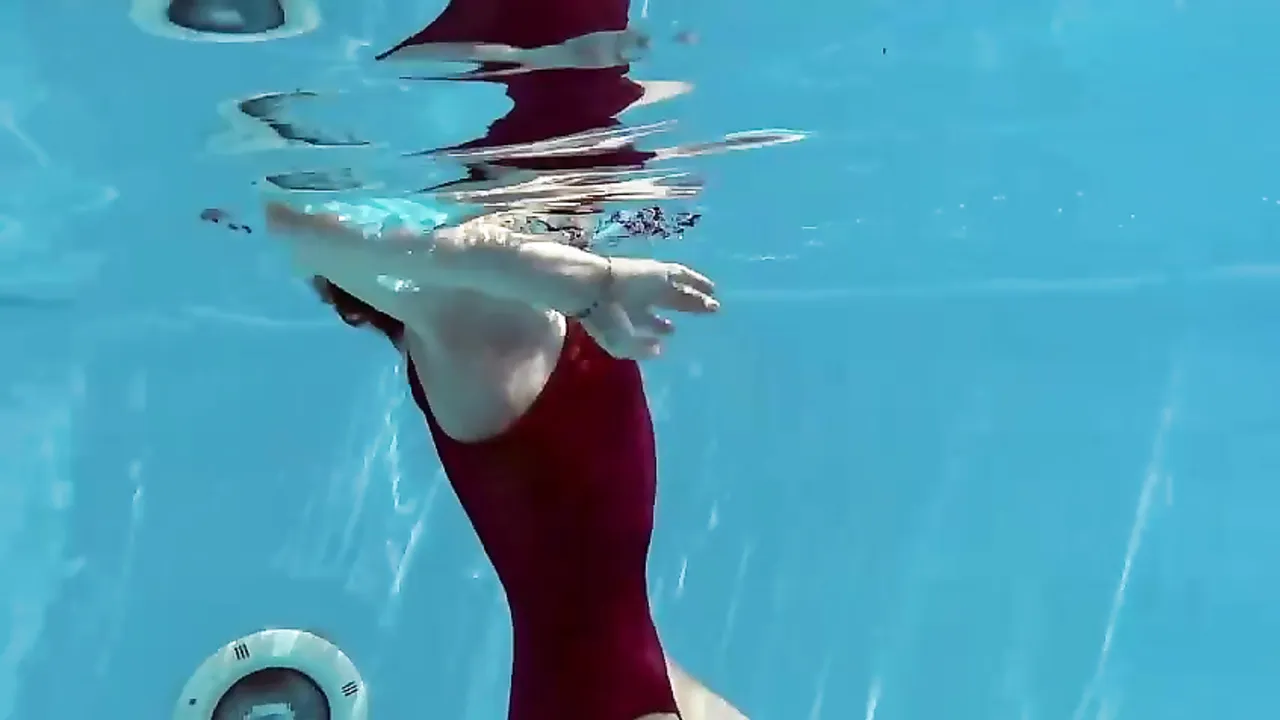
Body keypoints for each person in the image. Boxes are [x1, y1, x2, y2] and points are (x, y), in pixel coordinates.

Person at [262, 2, 751, 719]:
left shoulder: (500, 305)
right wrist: (582, 278)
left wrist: (578, 279)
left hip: (632, 682)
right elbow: (299, 224)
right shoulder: (462, 323)